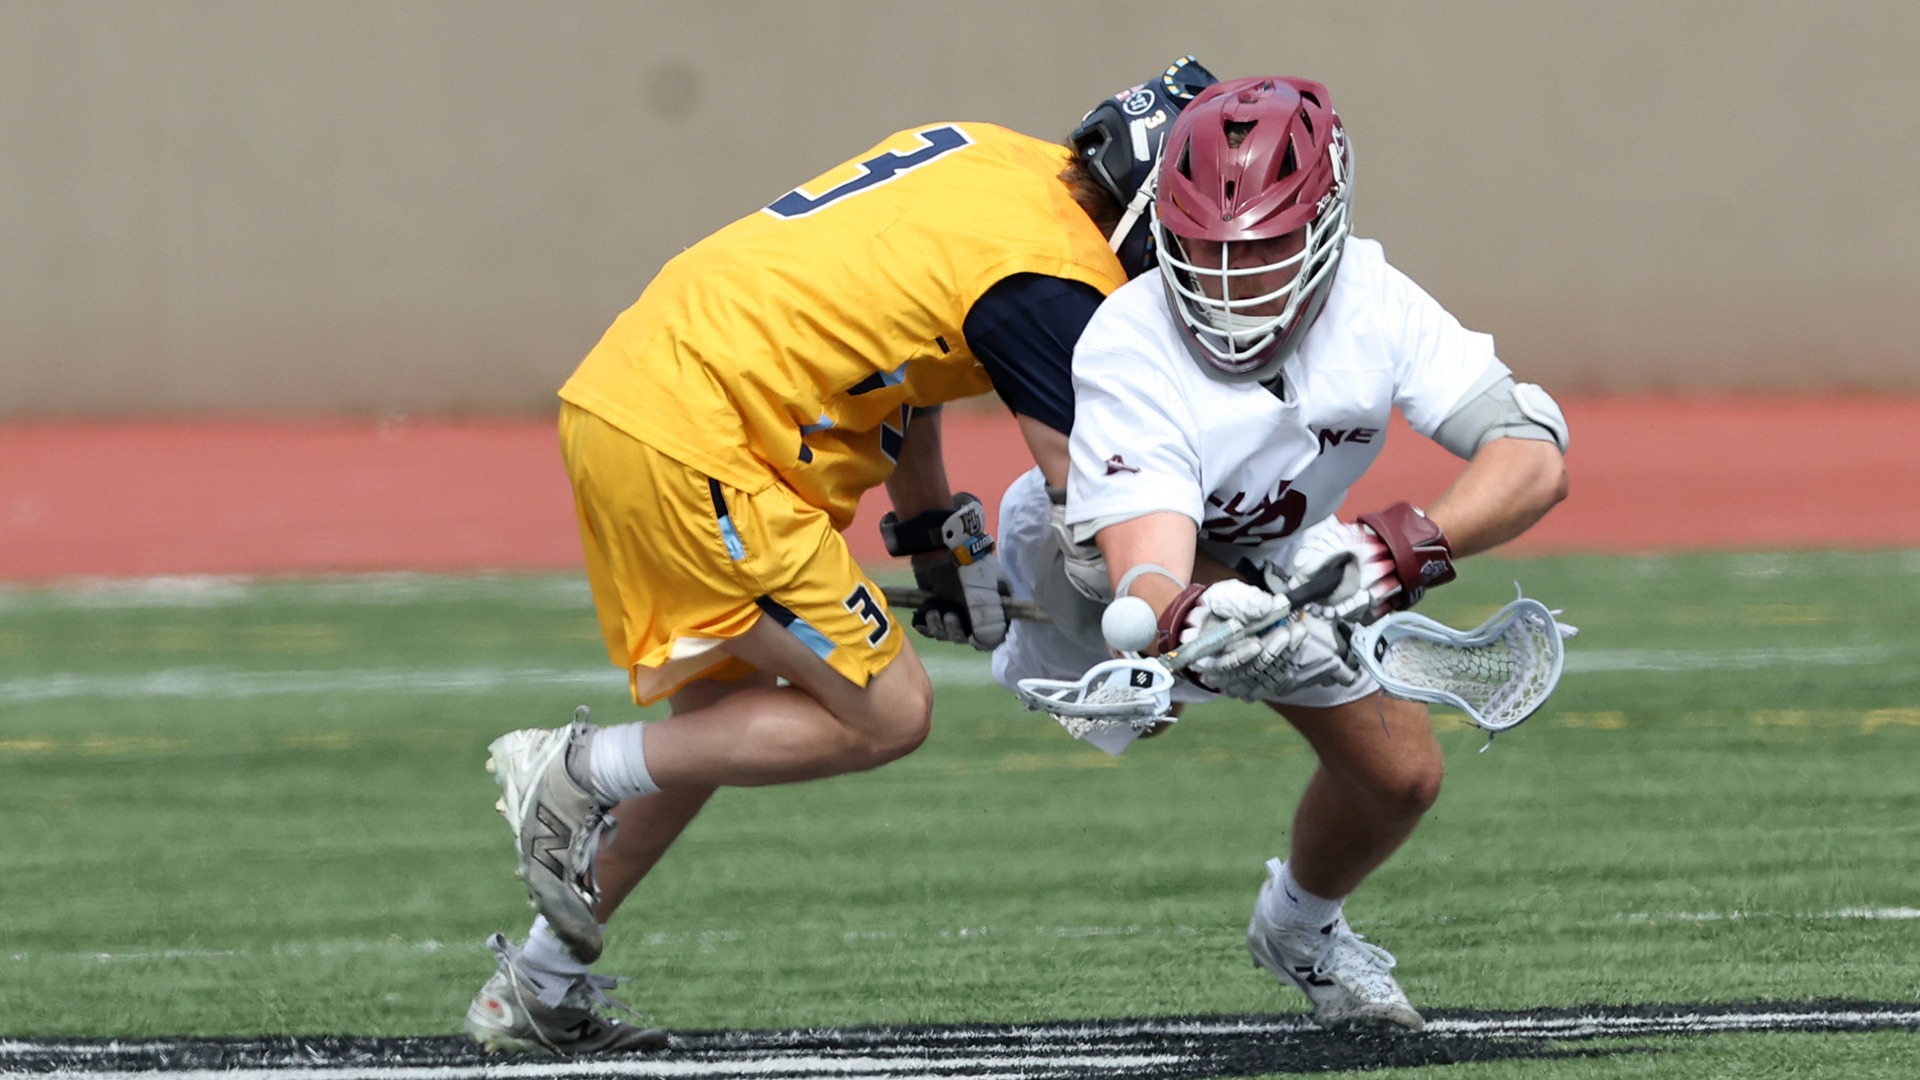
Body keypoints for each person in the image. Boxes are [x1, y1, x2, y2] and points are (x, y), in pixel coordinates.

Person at [462, 58, 1221, 1055]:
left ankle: (533, 986)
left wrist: (935, 539)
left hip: (646, 399)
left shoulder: (1003, 163)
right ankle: (574, 767)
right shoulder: (1054, 278)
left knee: (719, 726)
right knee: (888, 712)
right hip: (707, 441)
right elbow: (1100, 515)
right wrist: (1209, 618)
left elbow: (909, 351)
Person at [990, 75, 1569, 1031]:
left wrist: (1398, 552)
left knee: (1401, 777)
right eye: (1201, 248)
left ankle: (1299, 929)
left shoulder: (1374, 298)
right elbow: (1143, 566)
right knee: (1140, 702)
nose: (1226, 279)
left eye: (1259, 249)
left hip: (1292, 553)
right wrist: (1195, 615)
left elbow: (1531, 457)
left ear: (1326, 228)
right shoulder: (1128, 340)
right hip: (1099, 556)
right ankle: (1000, 601)